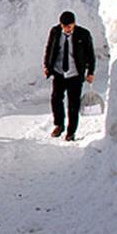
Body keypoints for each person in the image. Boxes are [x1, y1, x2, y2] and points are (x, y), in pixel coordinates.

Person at [43, 11, 95, 141]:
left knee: (73, 104)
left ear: (74, 24)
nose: (67, 29)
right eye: (65, 26)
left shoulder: (83, 34)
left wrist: (90, 72)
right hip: (59, 72)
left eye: (70, 26)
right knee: (56, 99)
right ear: (61, 25)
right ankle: (59, 125)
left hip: (75, 74)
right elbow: (49, 48)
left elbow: (90, 54)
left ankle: (71, 131)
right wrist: (47, 66)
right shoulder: (55, 32)